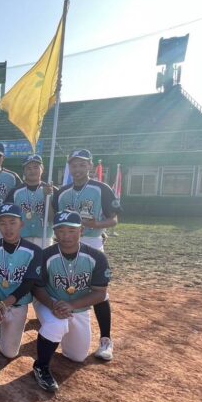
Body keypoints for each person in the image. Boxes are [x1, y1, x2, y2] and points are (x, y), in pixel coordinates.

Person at [31, 211, 112, 391]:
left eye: (71, 230)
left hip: (79, 306)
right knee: (56, 324)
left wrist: (72, 305)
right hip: (49, 301)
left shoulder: (96, 257)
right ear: (55, 232)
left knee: (77, 356)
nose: (66, 235)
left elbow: (100, 294)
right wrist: (53, 305)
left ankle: (55, 336)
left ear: (81, 230)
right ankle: (41, 366)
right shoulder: (45, 255)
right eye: (61, 231)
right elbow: (37, 288)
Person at [53, 149, 121, 361]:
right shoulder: (62, 192)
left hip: (91, 241)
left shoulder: (101, 189)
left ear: (90, 166)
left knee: (98, 290)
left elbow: (114, 219)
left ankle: (106, 340)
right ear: (69, 167)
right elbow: (54, 217)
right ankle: (65, 329)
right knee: (66, 284)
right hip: (65, 243)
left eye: (82, 164)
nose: (78, 169)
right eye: (74, 165)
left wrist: (96, 224)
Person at [0, 203, 43, 393]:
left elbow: (28, 283)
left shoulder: (34, 250)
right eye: (2, 223)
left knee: (10, 352)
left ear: (21, 224)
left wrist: (5, 304)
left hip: (17, 304)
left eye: (12, 222)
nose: (8, 228)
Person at [5, 154, 57, 248]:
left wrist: (47, 197)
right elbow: (8, 217)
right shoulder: (15, 192)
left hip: (44, 238)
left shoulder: (52, 190)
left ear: (42, 169)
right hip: (21, 237)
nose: (32, 171)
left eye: (36, 167)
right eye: (28, 168)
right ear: (24, 171)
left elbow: (53, 219)